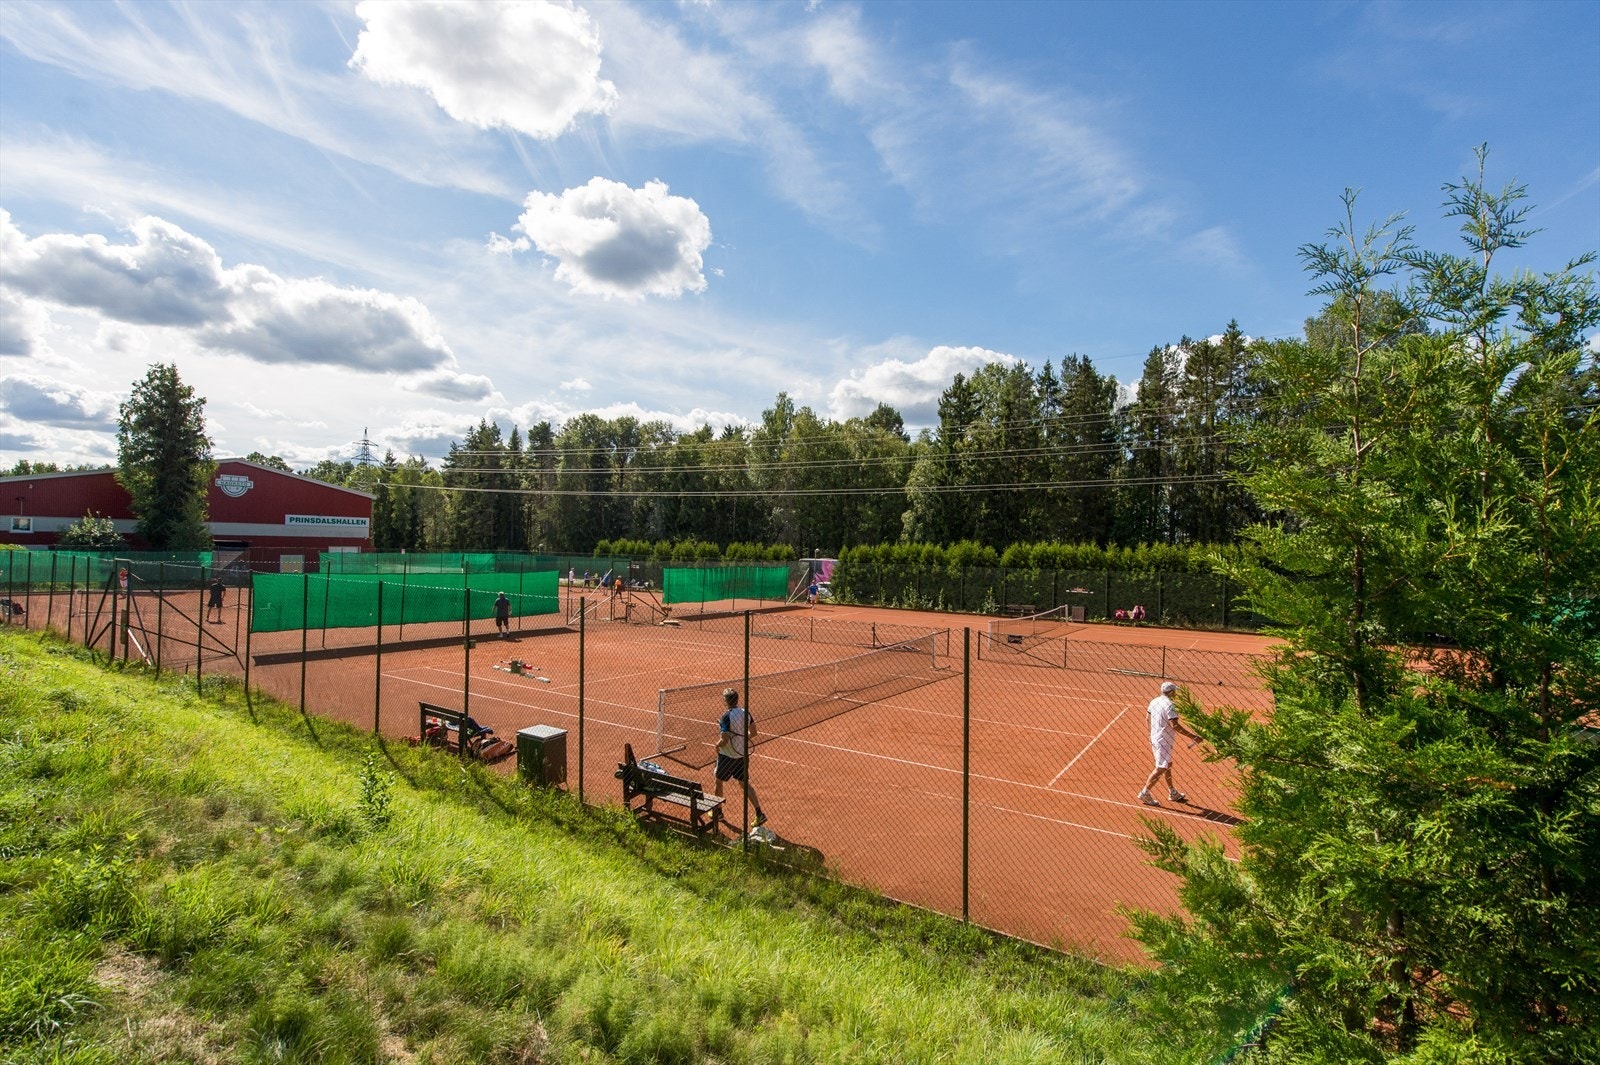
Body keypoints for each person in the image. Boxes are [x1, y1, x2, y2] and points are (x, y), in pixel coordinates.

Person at [712, 687, 766, 829]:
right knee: (744, 784)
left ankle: (718, 811)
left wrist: (717, 745)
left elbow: (724, 739)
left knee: (718, 781)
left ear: (726, 701)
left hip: (727, 756)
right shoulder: (746, 713)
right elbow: (753, 732)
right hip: (742, 756)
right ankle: (759, 813)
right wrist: (742, 738)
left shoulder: (725, 716)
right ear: (737, 700)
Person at [1139, 681, 1199, 806]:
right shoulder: (1170, 705)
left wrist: (1150, 734)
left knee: (1168, 764)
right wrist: (1193, 737)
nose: (1176, 694)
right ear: (1171, 692)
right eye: (1175, 692)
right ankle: (1145, 792)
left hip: (1157, 738)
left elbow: (1147, 718)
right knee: (1161, 767)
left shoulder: (1154, 701)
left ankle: (1172, 792)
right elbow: (1175, 726)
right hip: (1163, 741)